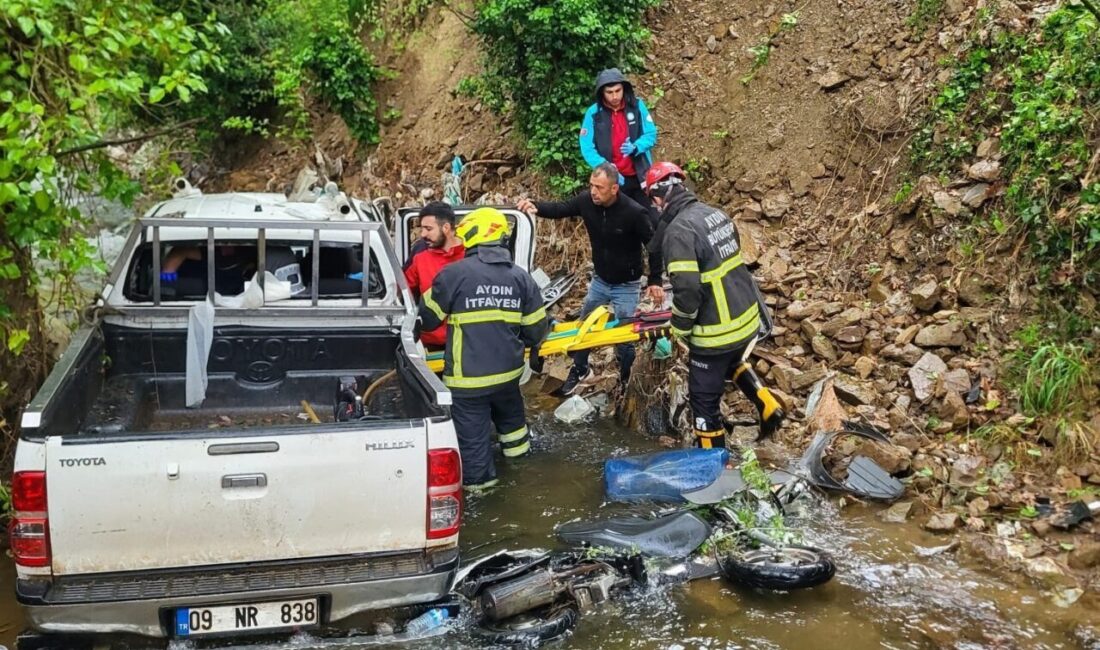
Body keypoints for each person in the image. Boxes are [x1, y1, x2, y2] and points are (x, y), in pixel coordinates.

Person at [643, 161, 785, 448]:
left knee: (703, 401)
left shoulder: (678, 232)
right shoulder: (715, 214)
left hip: (717, 330)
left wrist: (679, 328)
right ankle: (768, 406)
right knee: (732, 361)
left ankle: (714, 462)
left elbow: (687, 289)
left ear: (659, 198)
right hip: (746, 318)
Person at [419, 208, 548, 490]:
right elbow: (537, 331)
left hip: (468, 384)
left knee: (474, 448)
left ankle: (484, 496)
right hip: (509, 378)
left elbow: (426, 319)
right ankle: (523, 479)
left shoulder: (452, 274)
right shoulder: (521, 278)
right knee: (515, 436)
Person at [518, 162, 664, 395]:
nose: (594, 191)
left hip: (627, 284)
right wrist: (535, 206)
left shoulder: (634, 212)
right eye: (592, 185)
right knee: (583, 327)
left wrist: (655, 280)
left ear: (614, 188)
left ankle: (625, 378)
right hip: (600, 280)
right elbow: (560, 209)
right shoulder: (586, 201)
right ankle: (580, 369)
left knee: (624, 336)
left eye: (600, 187)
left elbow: (654, 247)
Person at [579, 68, 658, 216]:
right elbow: (586, 147)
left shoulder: (637, 106)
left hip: (640, 174)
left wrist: (636, 146)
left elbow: (651, 134)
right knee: (618, 221)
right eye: (609, 92)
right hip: (613, 180)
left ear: (624, 89)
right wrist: (604, 165)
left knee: (652, 219)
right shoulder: (593, 113)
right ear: (602, 92)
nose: (615, 96)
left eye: (618, 91)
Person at [404, 202, 465, 348]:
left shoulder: (470, 255)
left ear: (446, 228)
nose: (423, 234)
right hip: (431, 344)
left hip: (466, 343)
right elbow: (402, 291)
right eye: (422, 229)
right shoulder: (420, 258)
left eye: (428, 229)